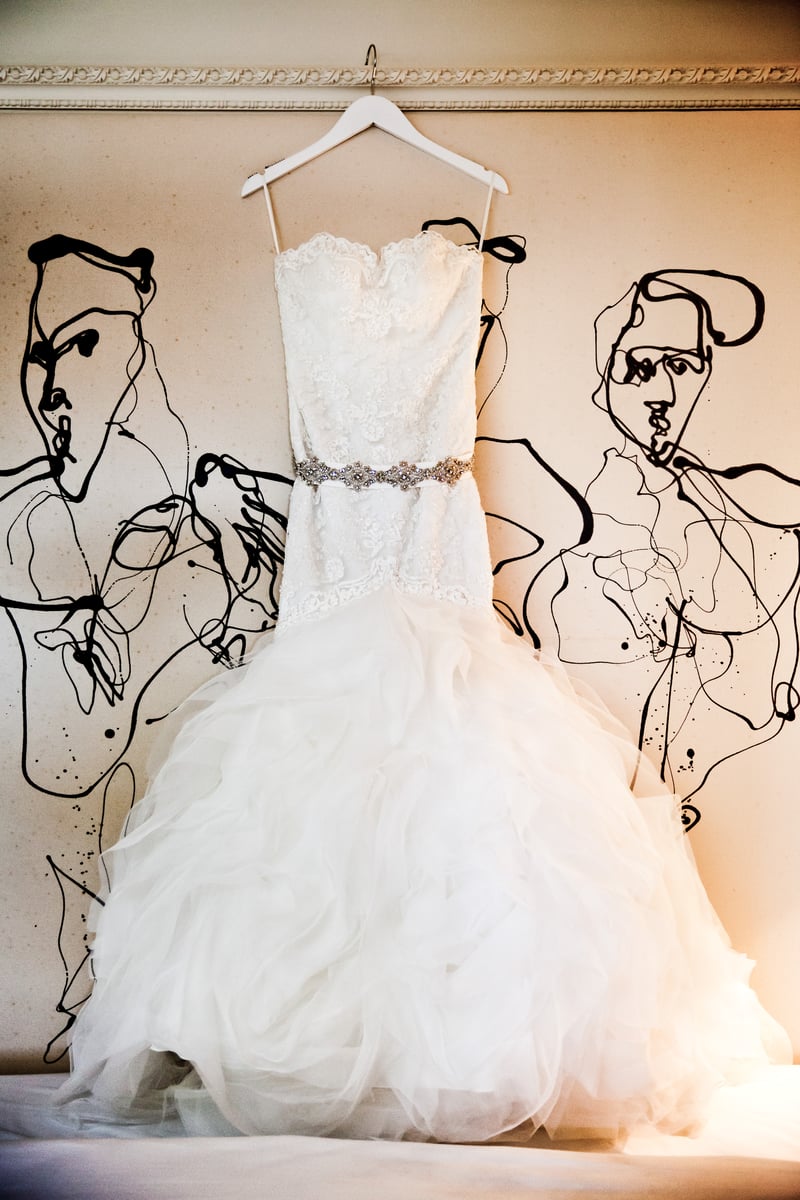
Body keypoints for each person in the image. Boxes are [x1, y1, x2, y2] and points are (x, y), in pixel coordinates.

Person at [54, 201, 791, 1144]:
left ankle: (459, 1063)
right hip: (332, 567)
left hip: (437, 563)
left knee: (465, 815)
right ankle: (313, 1060)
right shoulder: (296, 258)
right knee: (311, 819)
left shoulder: (454, 252)